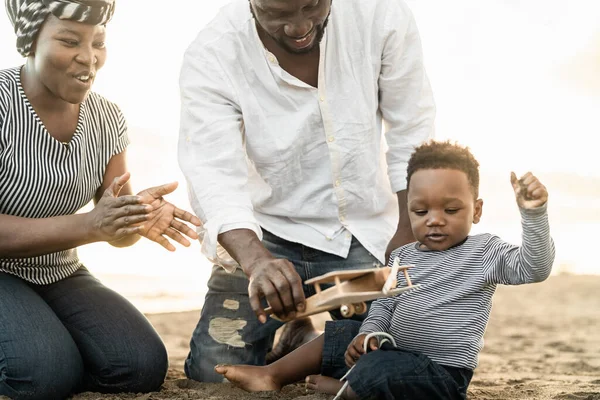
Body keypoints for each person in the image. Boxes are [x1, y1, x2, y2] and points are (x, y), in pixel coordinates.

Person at [178, 0, 436, 381]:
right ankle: (296, 335)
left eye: (312, 5)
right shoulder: (213, 52)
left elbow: (411, 129)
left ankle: (301, 342)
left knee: (399, 360)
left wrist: (406, 234)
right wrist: (257, 262)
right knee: (212, 374)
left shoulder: (381, 14)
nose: (299, 27)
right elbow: (213, 173)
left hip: (365, 231)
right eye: (278, 15)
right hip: (264, 236)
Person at [214, 140, 556, 400]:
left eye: (451, 209)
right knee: (343, 333)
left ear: (476, 210)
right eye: (420, 212)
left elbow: (534, 267)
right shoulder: (404, 255)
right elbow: (384, 305)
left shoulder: (484, 252)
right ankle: (272, 374)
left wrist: (534, 214)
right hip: (391, 349)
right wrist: (368, 335)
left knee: (384, 369)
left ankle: (348, 390)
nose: (434, 220)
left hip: (440, 373)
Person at [0, 1, 202, 399]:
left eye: (99, 43)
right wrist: (91, 225)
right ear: (31, 39)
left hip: (59, 271)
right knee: (43, 375)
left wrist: (135, 217)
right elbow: (93, 225)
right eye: (70, 40)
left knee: (141, 365)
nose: (88, 57)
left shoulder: (107, 119)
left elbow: (116, 229)